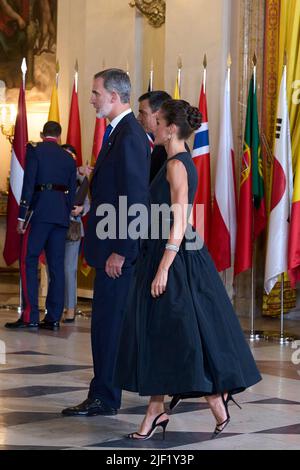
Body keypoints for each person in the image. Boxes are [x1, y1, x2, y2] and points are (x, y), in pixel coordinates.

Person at [114, 99, 262, 440]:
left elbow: (180, 219)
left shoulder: (176, 165)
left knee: (180, 332)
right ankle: (160, 410)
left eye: (158, 121)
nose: (153, 124)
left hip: (174, 256)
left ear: (171, 129)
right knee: (164, 331)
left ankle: (211, 400)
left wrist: (164, 266)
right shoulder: (173, 160)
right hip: (164, 252)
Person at [62, 68, 150, 417]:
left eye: (96, 92)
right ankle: (101, 393)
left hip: (117, 251)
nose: (92, 98)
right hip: (110, 245)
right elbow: (115, 192)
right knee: (104, 325)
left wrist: (121, 249)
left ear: (115, 96)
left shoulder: (128, 134)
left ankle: (105, 397)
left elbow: (135, 197)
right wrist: (91, 202)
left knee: (109, 326)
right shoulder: (119, 131)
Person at [5, 121, 77, 331]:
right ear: (59, 136)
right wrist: (66, 210)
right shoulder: (68, 157)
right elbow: (72, 191)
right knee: (57, 267)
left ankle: (30, 316)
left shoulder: (35, 150)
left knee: (28, 260)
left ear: (43, 133)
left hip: (40, 214)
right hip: (61, 215)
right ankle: (53, 317)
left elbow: (29, 183)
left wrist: (21, 216)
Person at [61, 144, 91, 323]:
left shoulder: (81, 180)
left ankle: (70, 308)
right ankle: (55, 307)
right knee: (54, 269)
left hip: (73, 228)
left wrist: (80, 209)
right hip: (55, 226)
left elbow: (88, 204)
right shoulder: (56, 176)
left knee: (69, 269)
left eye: (71, 156)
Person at [137, 90, 171, 182]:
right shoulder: (158, 145)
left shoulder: (170, 150)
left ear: (159, 114)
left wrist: (122, 197)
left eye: (142, 113)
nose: (138, 118)